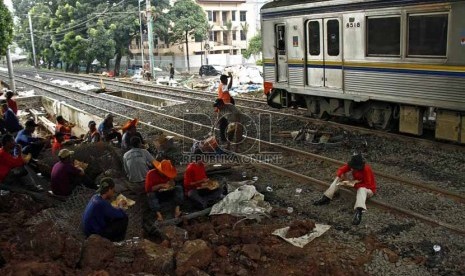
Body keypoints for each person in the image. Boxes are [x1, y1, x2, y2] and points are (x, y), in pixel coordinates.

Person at [313, 154, 376, 225]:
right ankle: (326, 197)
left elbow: (368, 184)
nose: (353, 169)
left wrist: (354, 184)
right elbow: (341, 170)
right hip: (355, 185)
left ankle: (359, 211)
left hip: (367, 190)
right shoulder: (352, 165)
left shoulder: (366, 169)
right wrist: (341, 175)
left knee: (361, 189)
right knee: (338, 178)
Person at [82, 177, 128, 242]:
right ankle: (117, 241)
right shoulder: (102, 204)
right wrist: (120, 205)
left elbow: (109, 210)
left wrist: (115, 209)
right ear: (109, 190)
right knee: (124, 218)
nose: (113, 193)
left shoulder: (95, 197)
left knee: (112, 217)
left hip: (88, 230)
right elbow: (120, 214)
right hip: (95, 235)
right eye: (113, 190)